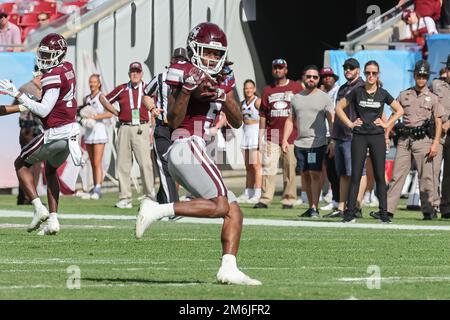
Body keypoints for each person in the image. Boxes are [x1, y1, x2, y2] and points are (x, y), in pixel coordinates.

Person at [135, 22, 261, 285]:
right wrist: (186, 90)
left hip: (196, 148)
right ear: (194, 49)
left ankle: (228, 267)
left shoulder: (223, 77)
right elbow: (172, 119)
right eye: (207, 52)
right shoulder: (181, 72)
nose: (212, 58)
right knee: (221, 205)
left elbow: (237, 121)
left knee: (233, 211)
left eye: (216, 54)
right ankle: (158, 209)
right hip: (184, 144)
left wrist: (222, 94)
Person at [0, 33, 82, 235]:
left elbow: (44, 110)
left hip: (56, 133)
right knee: (51, 171)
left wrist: (18, 95)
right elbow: (43, 105)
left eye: (48, 55)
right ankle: (53, 220)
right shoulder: (67, 68)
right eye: (42, 54)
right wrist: (18, 105)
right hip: (71, 133)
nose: (43, 59)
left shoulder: (52, 76)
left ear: (58, 54)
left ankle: (38, 208)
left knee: (20, 164)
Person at [335, 60, 404, 223]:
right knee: (356, 175)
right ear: (364, 74)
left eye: (374, 73)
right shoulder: (357, 91)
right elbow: (338, 108)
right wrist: (351, 124)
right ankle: (350, 213)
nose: (371, 76)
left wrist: (387, 124)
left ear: (378, 74)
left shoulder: (383, 93)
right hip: (359, 136)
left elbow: (400, 110)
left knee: (380, 175)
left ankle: (384, 214)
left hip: (377, 136)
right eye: (368, 73)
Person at [382, 60, 443, 221]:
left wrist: (436, 142)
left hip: (423, 140)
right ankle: (388, 210)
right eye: (418, 75)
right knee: (397, 175)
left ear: (427, 77)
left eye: (424, 76)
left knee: (426, 177)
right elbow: (394, 115)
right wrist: (386, 133)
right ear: (414, 75)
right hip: (404, 139)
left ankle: (428, 210)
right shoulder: (404, 95)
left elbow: (438, 121)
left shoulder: (433, 98)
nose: (421, 79)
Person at [100, 62, 156, 209]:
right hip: (124, 127)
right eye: (132, 71)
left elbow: (155, 107)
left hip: (142, 127)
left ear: (142, 73)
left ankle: (150, 196)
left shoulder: (148, 88)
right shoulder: (122, 88)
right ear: (129, 73)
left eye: (137, 71)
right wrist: (115, 113)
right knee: (123, 165)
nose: (135, 74)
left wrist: (152, 128)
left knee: (145, 164)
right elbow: (103, 99)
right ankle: (125, 197)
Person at [283, 65, 334, 218]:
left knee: (314, 174)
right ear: (304, 78)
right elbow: (290, 120)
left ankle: (314, 207)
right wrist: (285, 139)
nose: (311, 79)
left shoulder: (325, 97)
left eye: (315, 77)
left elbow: (332, 121)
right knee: (305, 175)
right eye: (309, 76)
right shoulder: (296, 98)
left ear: (318, 80)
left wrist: (332, 140)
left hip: (316, 144)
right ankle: (311, 208)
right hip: (300, 145)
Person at [253, 59, 303, 210]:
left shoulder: (296, 87)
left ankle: (288, 199)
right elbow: (263, 115)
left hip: (291, 135)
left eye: (280, 68)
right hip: (272, 134)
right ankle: (265, 198)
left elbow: (302, 111)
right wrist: (260, 137)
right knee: (269, 168)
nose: (278, 70)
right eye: (275, 68)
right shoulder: (268, 90)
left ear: (286, 70)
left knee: (289, 169)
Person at [144, 48, 187, 205]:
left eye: (182, 59)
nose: (180, 62)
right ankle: (171, 205)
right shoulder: (161, 77)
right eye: (177, 59)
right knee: (164, 166)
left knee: (179, 167)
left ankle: (163, 200)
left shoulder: (190, 78)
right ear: (172, 61)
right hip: (163, 126)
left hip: (183, 128)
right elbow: (146, 94)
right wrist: (152, 108)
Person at [326, 58, 367, 219]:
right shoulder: (343, 88)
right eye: (346, 68)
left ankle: (356, 205)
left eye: (351, 68)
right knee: (343, 173)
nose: (348, 70)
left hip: (356, 136)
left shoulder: (363, 86)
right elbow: (337, 114)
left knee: (358, 172)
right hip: (341, 136)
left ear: (358, 70)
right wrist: (333, 138)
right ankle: (342, 207)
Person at [13, 65, 43, 205]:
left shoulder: (24, 87)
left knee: (25, 163)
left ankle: (22, 196)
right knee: (34, 164)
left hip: (27, 130)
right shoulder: (31, 89)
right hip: (31, 130)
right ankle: (30, 197)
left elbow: (14, 103)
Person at [80, 74, 112, 200]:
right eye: (90, 82)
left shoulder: (102, 96)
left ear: (99, 83)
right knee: (92, 162)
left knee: (97, 162)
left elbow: (110, 114)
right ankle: (94, 187)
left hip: (99, 131)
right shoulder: (86, 98)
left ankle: (98, 188)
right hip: (89, 131)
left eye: (94, 82)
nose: (92, 84)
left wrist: (94, 117)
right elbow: (83, 112)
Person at [237, 79, 262, 204]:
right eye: (246, 88)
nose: (248, 90)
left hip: (255, 132)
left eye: (251, 88)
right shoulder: (242, 103)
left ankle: (257, 193)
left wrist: (262, 135)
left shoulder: (257, 102)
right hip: (245, 133)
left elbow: (264, 117)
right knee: (248, 167)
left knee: (256, 165)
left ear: (254, 89)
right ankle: (248, 192)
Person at [319, 67, 340, 211]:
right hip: (324, 135)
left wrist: (334, 137)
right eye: (324, 76)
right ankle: (335, 199)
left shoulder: (339, 91)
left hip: (336, 135)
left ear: (334, 78)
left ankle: (341, 200)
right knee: (330, 170)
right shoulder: (322, 94)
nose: (327, 78)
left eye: (329, 76)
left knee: (338, 169)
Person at [435, 54, 450, 218]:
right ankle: (432, 206)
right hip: (438, 135)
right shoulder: (437, 85)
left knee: (449, 174)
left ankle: (446, 207)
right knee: (433, 171)